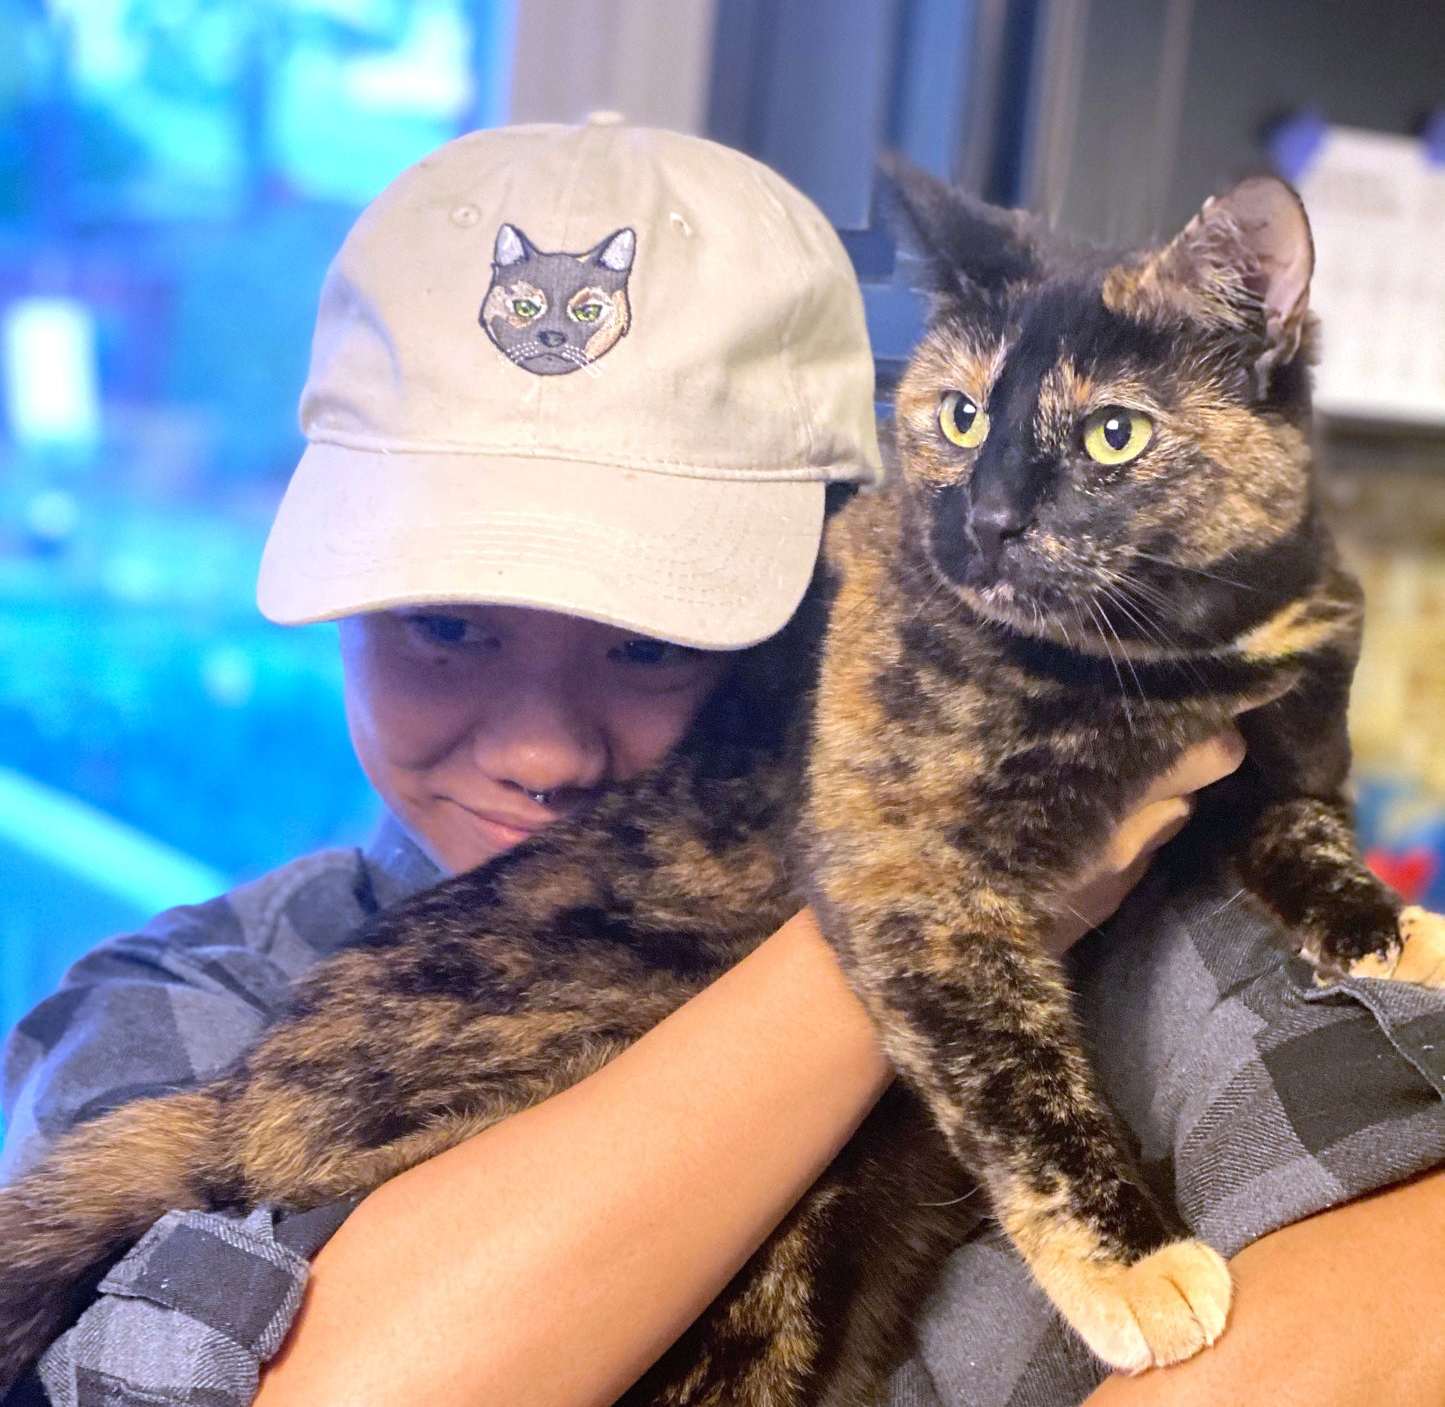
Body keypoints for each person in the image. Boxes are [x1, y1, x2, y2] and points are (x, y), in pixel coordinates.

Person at [2, 119, 1443, 1407]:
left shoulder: (1131, 892)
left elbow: (1408, 1274)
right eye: (444, 625)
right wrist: (910, 923)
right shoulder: (180, 1005)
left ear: (842, 568)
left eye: (652, 643)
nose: (542, 745)